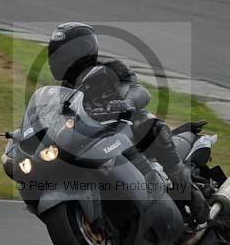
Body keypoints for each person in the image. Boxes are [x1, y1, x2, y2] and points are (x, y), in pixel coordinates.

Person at [47, 22, 210, 225]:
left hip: (128, 131)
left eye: (62, 54)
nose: (57, 60)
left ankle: (191, 194)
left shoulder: (110, 69)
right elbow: (52, 120)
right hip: (95, 143)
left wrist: (127, 103)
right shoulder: (62, 93)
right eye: (54, 54)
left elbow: (139, 91)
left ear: (81, 51)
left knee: (151, 125)